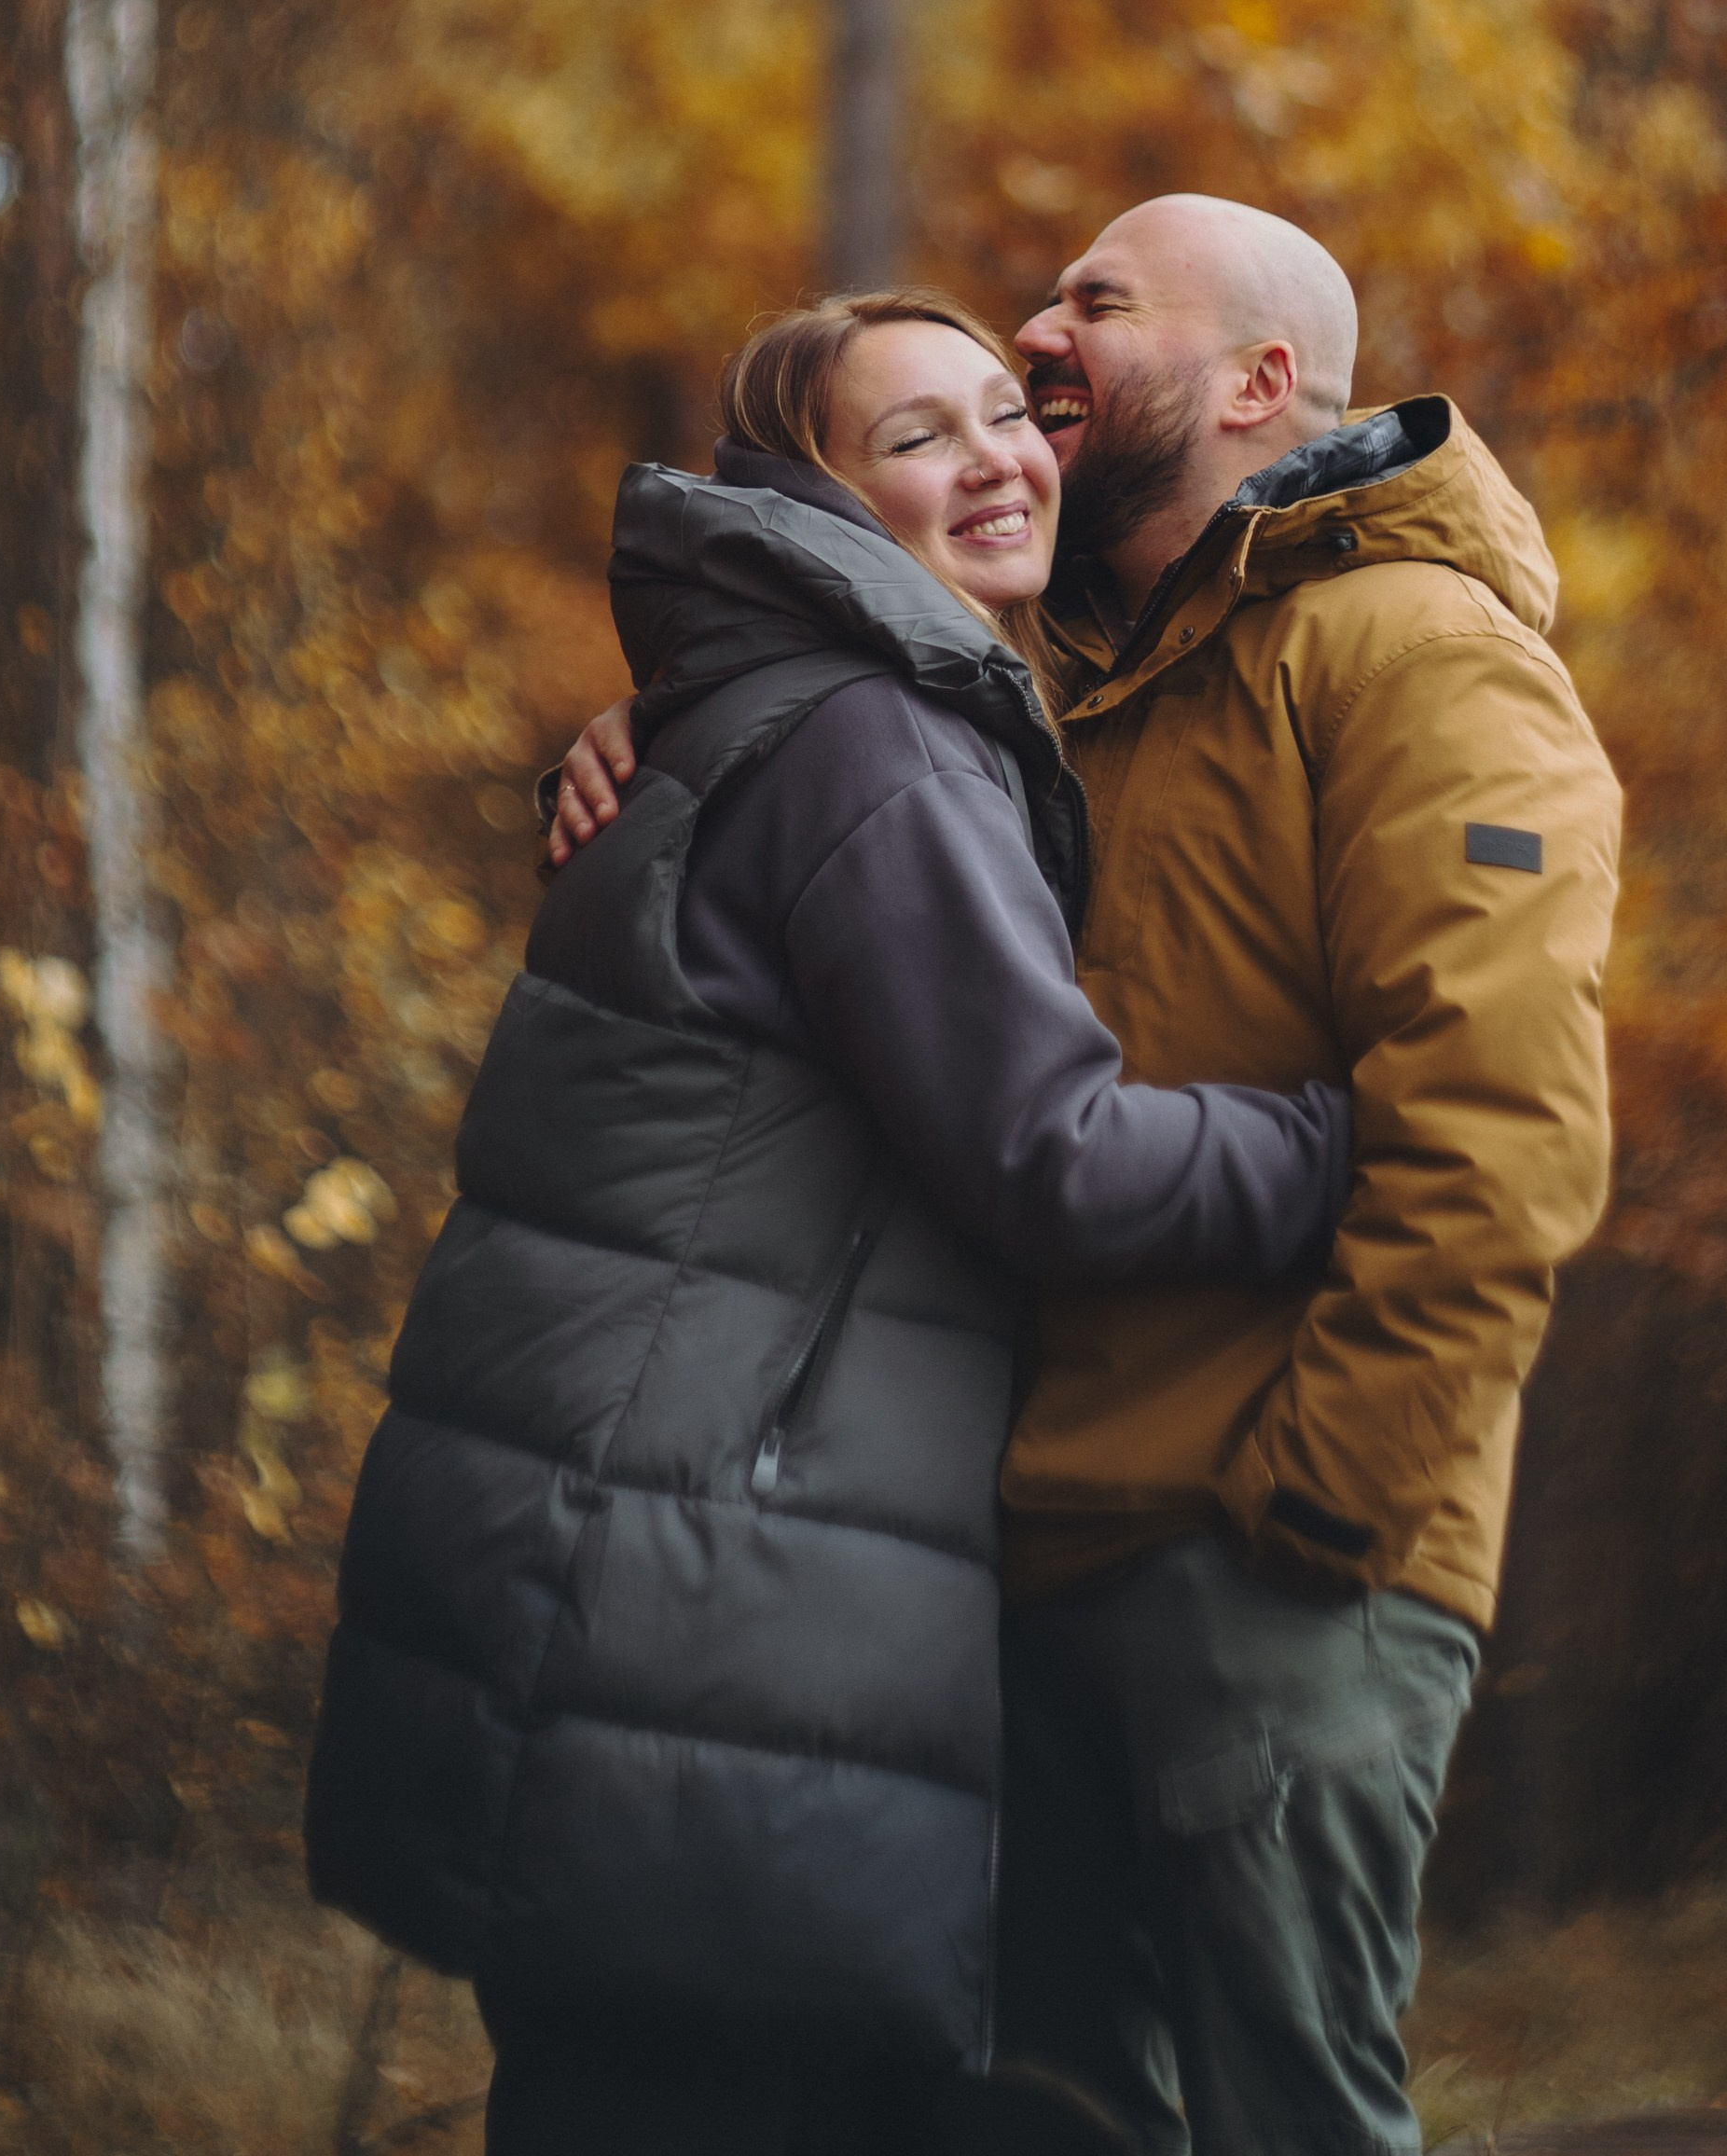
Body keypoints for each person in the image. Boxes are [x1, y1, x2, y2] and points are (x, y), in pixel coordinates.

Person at [550, 198, 1623, 2156]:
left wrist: (1330, 1500)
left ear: (1257, 382)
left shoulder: (1416, 652)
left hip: (1272, 1557)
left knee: (1289, 2119)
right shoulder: (1058, 676)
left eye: (1094, 303)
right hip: (1021, 1562)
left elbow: (1504, 1123)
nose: (1036, 330)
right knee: (1051, 2125)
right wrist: (660, 724)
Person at [306, 285, 1355, 2156]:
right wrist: (1345, 1140)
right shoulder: (881, 745)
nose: (995, 460)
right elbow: (1049, 1154)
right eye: (916, 438)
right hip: (704, 1598)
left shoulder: (775, 713)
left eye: (1003, 413)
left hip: (614, 1574)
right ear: (819, 503)